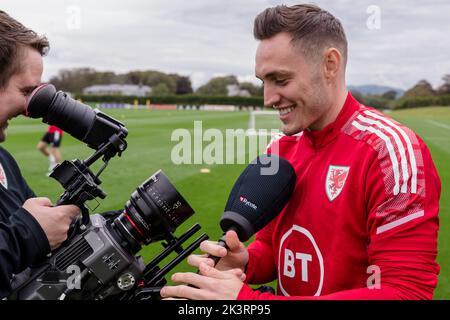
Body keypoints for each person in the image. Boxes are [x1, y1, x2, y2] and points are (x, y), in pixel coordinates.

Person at [160, 4, 441, 300]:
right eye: (263, 82)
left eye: (280, 80)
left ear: (330, 64)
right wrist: (247, 261)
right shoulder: (280, 150)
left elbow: (406, 293)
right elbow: (273, 245)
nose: (268, 99)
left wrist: (250, 303)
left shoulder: (390, 153)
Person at [0, 10, 80, 298]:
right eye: (26, 91)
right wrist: (27, 235)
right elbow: (28, 234)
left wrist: (112, 227)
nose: (29, 109)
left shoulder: (4, 160)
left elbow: (43, 231)